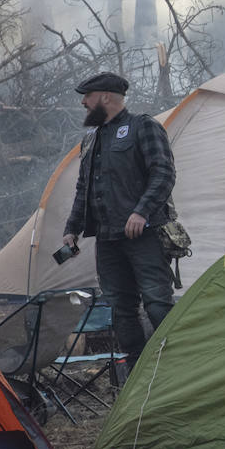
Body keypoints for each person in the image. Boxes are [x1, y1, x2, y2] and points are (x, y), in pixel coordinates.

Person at [61, 72, 177, 369]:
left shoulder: (144, 127)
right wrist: (71, 229)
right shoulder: (90, 141)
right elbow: (82, 189)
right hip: (108, 240)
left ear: (106, 97)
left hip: (145, 235)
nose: (83, 102)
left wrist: (142, 212)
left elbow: (163, 174)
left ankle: (177, 368)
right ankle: (139, 376)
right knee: (121, 310)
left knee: (158, 303)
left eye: (87, 96)